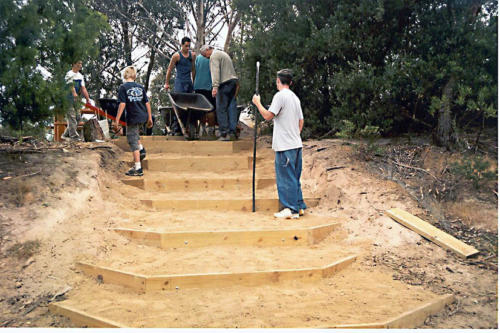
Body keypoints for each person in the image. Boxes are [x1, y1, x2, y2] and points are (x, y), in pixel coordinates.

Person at [252, 69, 306, 219]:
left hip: (285, 145)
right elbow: (301, 121)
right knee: (294, 176)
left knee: (285, 177)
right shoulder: (295, 98)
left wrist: (258, 103)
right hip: (296, 144)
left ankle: (290, 209)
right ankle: (299, 206)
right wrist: (295, 135)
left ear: (278, 81)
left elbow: (268, 116)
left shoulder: (280, 96)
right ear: (291, 82)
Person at [114, 66, 153, 177]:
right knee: (135, 136)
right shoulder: (140, 87)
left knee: (132, 141)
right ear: (134, 75)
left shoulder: (123, 87)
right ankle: (141, 150)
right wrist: (149, 118)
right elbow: (147, 103)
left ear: (125, 75)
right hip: (142, 115)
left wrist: (117, 120)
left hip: (132, 116)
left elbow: (122, 104)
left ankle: (138, 168)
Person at [200, 45, 239, 141]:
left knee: (221, 108)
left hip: (224, 83)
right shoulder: (222, 53)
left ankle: (224, 134)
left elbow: (215, 71)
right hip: (233, 82)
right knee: (231, 107)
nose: (206, 57)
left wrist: (215, 87)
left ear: (208, 49)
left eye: (205, 55)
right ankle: (232, 132)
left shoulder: (214, 56)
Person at [165, 37, 196, 136]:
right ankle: (176, 128)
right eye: (186, 46)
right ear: (182, 45)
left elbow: (193, 69)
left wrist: (194, 83)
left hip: (188, 82)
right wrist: (167, 83)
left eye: (189, 46)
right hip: (180, 82)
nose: (187, 48)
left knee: (190, 105)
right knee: (178, 105)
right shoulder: (176, 56)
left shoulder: (192, 55)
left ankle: (189, 127)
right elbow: (169, 70)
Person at [61, 60, 91, 141]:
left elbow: (83, 88)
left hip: (76, 99)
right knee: (72, 117)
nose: (80, 65)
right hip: (67, 99)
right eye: (78, 63)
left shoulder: (80, 76)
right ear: (73, 64)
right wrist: (74, 94)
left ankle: (65, 135)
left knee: (78, 118)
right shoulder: (69, 74)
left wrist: (88, 99)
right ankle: (73, 137)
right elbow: (71, 86)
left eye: (81, 63)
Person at [193, 52, 217, 138]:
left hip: (198, 87)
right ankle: (211, 130)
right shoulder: (212, 58)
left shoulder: (198, 58)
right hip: (208, 87)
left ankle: (203, 129)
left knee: (201, 110)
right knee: (211, 110)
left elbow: (193, 71)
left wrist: (194, 84)